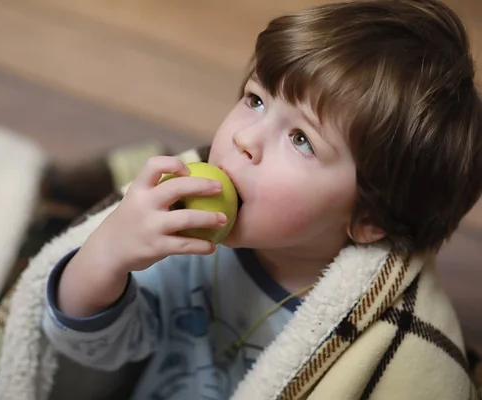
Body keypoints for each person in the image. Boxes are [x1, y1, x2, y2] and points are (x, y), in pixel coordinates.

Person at [41, 0, 482, 398]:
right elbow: (96, 351)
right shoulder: (182, 237)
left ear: (369, 217)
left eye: (301, 139)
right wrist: (106, 256)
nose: (245, 138)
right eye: (255, 99)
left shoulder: (381, 340)